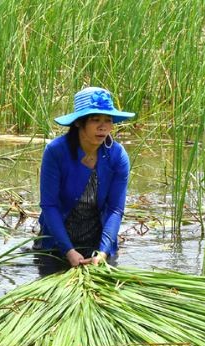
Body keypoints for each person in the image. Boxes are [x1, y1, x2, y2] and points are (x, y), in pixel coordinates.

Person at [34, 87, 135, 272]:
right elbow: (49, 205)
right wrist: (68, 250)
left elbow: (115, 209)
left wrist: (103, 252)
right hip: (56, 243)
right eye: (95, 120)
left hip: (97, 243)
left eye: (108, 120)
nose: (103, 127)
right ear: (79, 123)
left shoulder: (117, 156)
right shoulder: (56, 152)